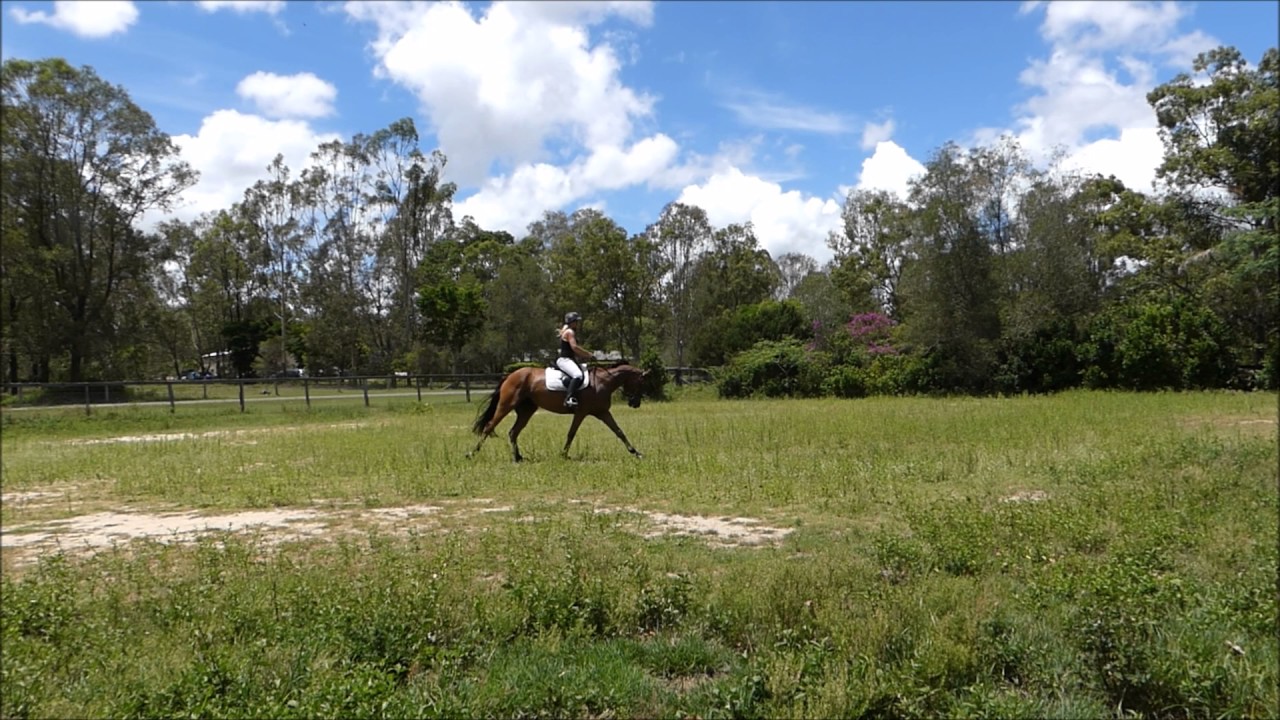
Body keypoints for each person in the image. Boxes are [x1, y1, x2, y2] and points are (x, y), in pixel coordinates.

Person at [555, 311, 594, 407]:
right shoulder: (570, 332)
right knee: (578, 375)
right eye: (576, 322)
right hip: (565, 360)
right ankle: (569, 398)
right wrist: (588, 354)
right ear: (571, 322)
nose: (577, 324)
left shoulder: (568, 331)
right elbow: (574, 347)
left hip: (569, 359)